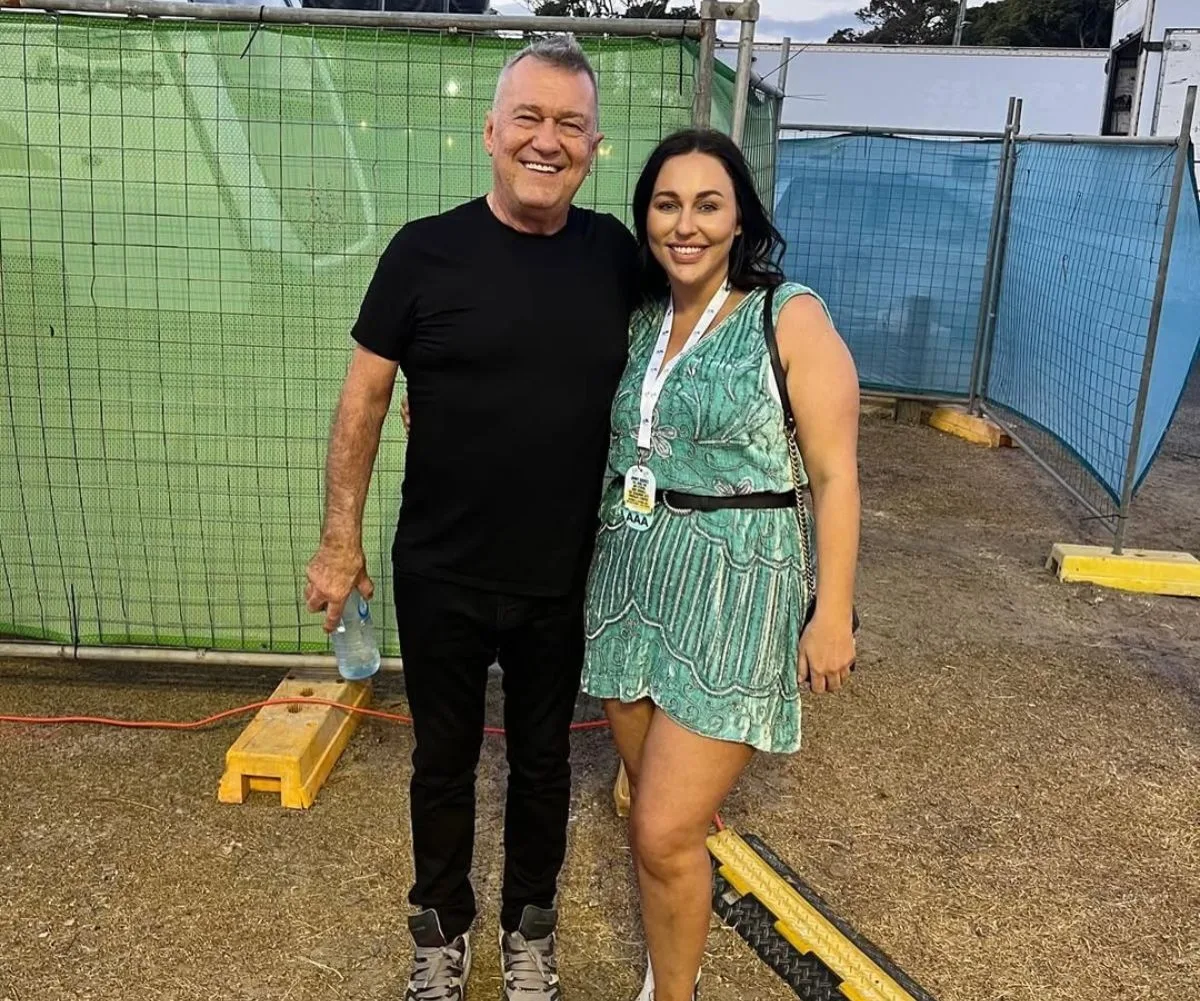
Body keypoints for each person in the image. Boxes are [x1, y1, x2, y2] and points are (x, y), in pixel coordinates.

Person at [304, 36, 638, 1001]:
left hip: (559, 574)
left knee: (544, 767)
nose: (547, 140)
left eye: (569, 124)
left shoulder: (614, 255)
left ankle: (533, 936)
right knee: (442, 762)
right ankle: (441, 933)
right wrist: (339, 539)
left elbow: (697, 331)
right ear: (490, 132)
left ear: (594, 145)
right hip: (441, 569)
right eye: (527, 118)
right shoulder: (423, 251)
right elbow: (364, 399)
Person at [581, 129, 861, 1001]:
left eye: (708, 204)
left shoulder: (790, 314)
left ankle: (676, 995)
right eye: (667, 204)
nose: (686, 223)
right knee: (646, 811)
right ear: (646, 217)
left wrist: (833, 611)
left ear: (740, 218)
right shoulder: (638, 314)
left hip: (740, 588)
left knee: (666, 828)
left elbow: (836, 474)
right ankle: (670, 978)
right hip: (633, 575)